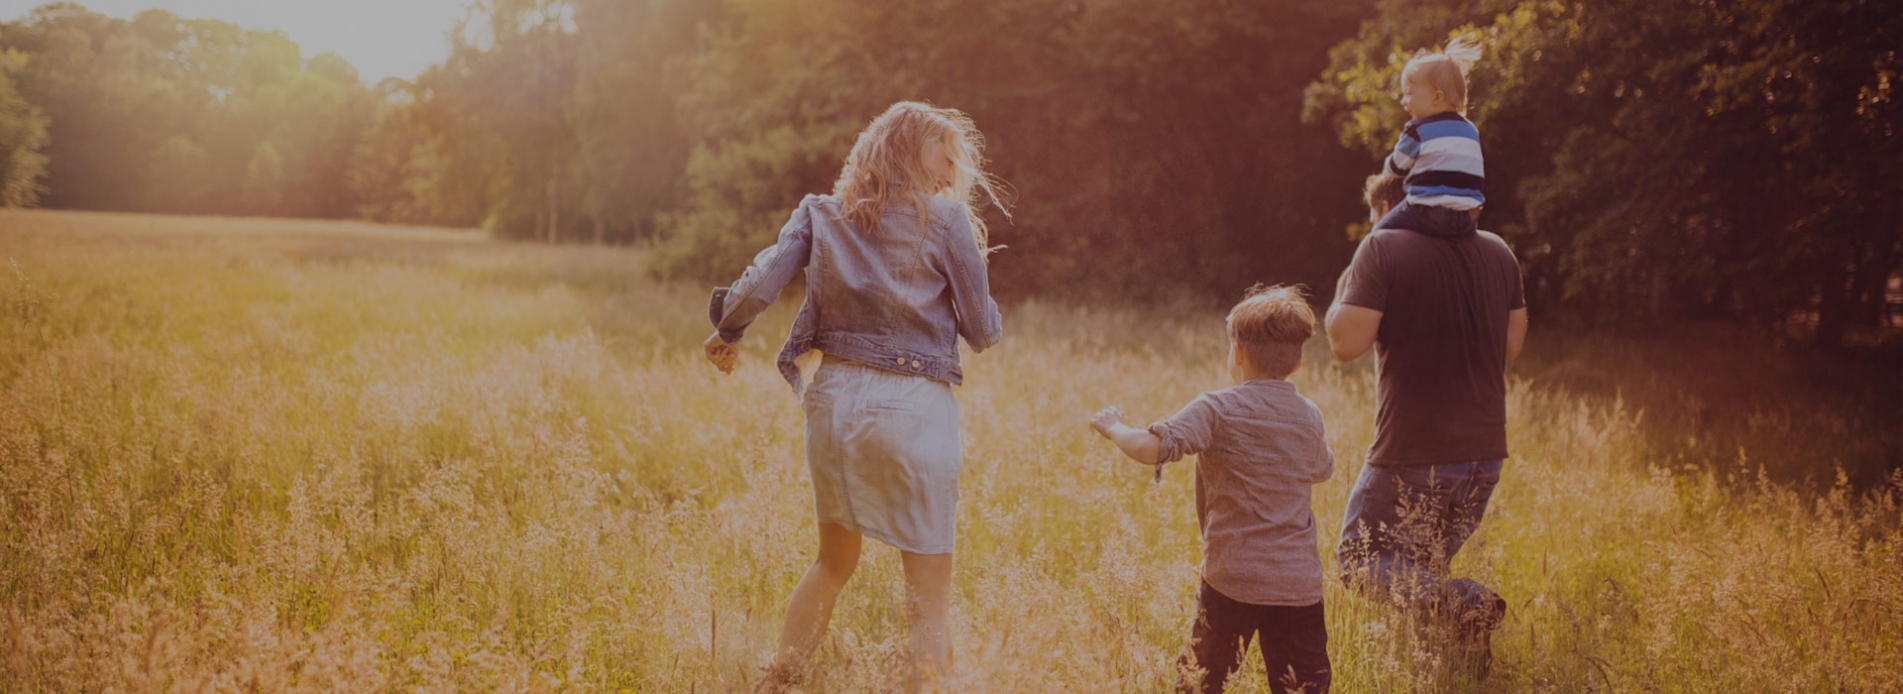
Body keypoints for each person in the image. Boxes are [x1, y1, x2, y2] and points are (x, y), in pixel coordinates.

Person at [701, 101, 1009, 692]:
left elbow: (761, 282)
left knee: (833, 562)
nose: (950, 174)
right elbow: (983, 332)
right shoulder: (947, 221)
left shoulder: (820, 212)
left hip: (834, 400)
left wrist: (727, 333)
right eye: (943, 157)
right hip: (914, 408)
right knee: (929, 592)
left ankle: (777, 681)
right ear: (910, 151)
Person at [1327, 168, 1528, 676]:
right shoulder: (1499, 251)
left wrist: (1351, 282)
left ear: (1393, 208)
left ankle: (1467, 602)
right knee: (1420, 572)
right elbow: (1511, 346)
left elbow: (1342, 344)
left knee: (1358, 563)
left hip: (1412, 453)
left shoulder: (1384, 246)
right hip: (1484, 456)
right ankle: (1456, 665)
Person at [1088, 285, 1335, 694]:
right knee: (1303, 687)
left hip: (1231, 580)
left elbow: (1153, 449)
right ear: (1300, 363)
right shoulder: (1309, 416)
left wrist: (1113, 426)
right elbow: (1321, 469)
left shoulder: (1217, 408)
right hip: (1298, 586)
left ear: (1236, 353)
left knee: (1198, 683)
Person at [1376, 35, 1486, 239]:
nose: (1403, 101)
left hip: (1428, 213)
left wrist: (1388, 164)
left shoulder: (1417, 130)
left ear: (1437, 97)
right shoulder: (1471, 131)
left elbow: (1396, 168)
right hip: (1469, 218)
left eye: (1408, 93)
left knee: (1376, 239)